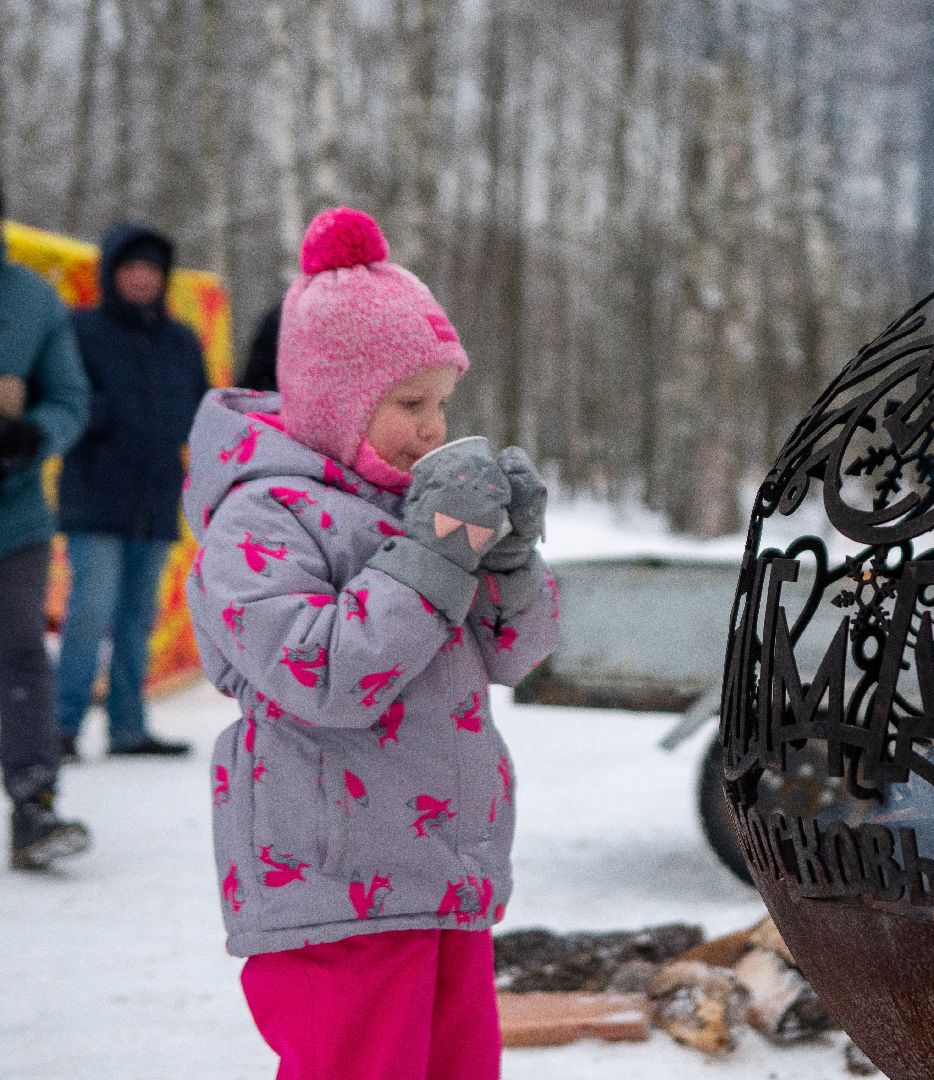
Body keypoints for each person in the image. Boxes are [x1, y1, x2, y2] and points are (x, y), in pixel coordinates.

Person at [184, 207, 559, 1078]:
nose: (434, 427)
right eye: (409, 403)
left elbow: (516, 654)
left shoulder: (407, 501)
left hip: (440, 872)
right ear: (335, 399)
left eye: (442, 402)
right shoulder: (259, 518)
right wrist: (435, 550)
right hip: (336, 882)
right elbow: (325, 676)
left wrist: (507, 558)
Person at [55, 223, 210, 758]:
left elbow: (200, 412)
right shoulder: (81, 330)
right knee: (89, 613)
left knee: (137, 619)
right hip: (95, 496)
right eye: (132, 268)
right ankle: (61, 728)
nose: (142, 278)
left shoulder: (181, 340)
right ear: (111, 274)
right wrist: (111, 415)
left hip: (156, 498)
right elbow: (63, 400)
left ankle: (127, 728)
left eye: (152, 270)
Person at [0, 180, 93, 869]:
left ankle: (34, 805)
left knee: (22, 652)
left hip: (16, 516)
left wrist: (34, 435)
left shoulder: (32, 299)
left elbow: (70, 396)